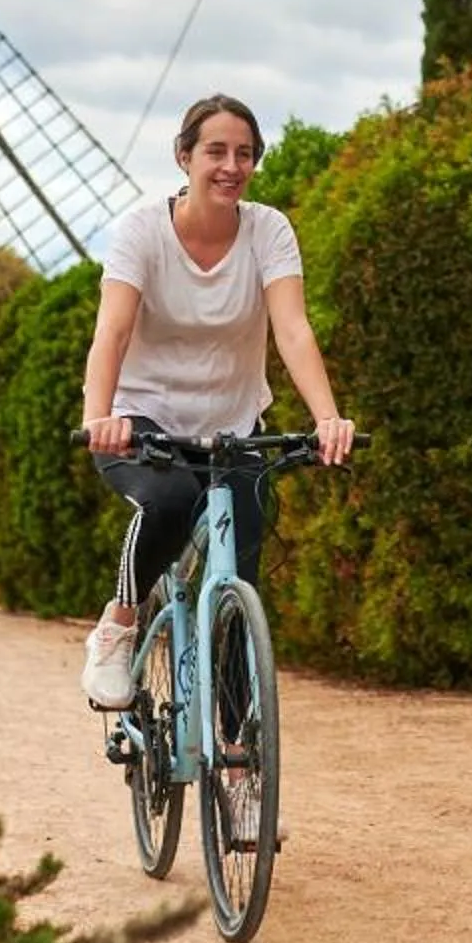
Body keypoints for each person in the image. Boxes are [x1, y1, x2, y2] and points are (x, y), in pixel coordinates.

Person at [78, 94, 354, 711]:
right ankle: (118, 627)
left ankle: (236, 739)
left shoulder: (269, 230)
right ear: (184, 157)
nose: (232, 165)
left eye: (245, 154)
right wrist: (100, 416)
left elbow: (293, 330)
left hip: (235, 427)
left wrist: (327, 418)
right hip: (143, 424)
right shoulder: (141, 231)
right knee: (170, 501)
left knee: (243, 554)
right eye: (216, 151)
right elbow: (113, 332)